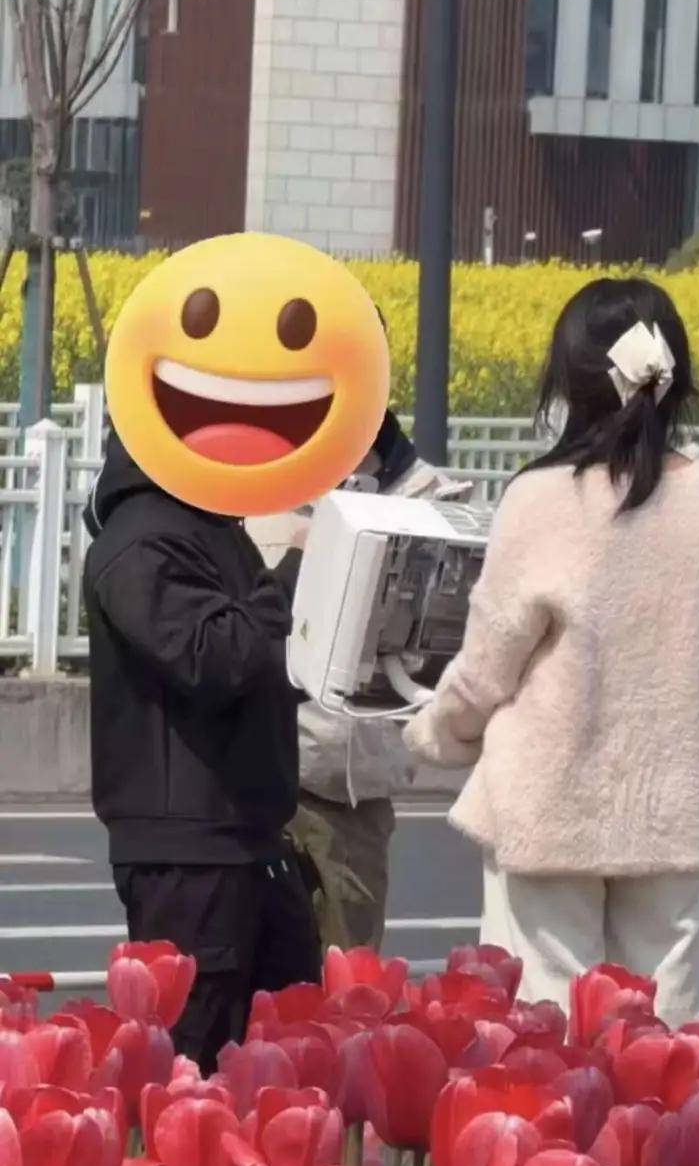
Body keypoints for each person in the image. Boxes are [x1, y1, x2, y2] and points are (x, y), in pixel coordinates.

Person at [404, 278, 699, 1026]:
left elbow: (487, 666)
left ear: (570, 381)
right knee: (672, 1046)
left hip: (546, 807)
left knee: (545, 1041)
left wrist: (437, 732)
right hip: (674, 811)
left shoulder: (540, 499)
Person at [83, 428, 320, 1074]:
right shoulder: (141, 537)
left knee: (287, 1058)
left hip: (247, 843)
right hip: (191, 859)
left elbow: (254, 653)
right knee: (197, 1068)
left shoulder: (207, 523)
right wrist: (297, 576)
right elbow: (212, 656)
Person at [281, 406, 472, 951]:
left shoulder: (433, 499)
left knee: (348, 975)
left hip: (353, 788)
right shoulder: (264, 475)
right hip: (258, 772)